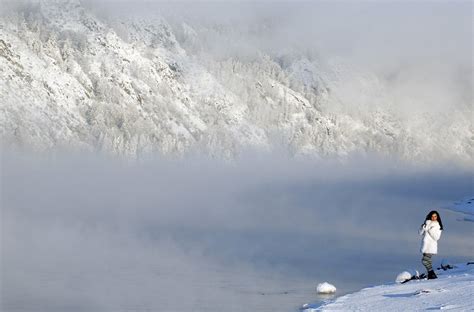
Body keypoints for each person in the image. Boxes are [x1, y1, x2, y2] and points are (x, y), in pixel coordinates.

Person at [419, 210, 443, 279]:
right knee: (428, 261)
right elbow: (420, 233)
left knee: (424, 260)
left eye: (435, 216)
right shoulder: (427, 223)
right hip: (425, 245)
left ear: (437, 217)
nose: (433, 218)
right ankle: (431, 275)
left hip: (431, 246)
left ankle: (431, 273)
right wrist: (423, 228)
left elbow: (436, 237)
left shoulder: (438, 226)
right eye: (432, 216)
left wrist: (430, 229)